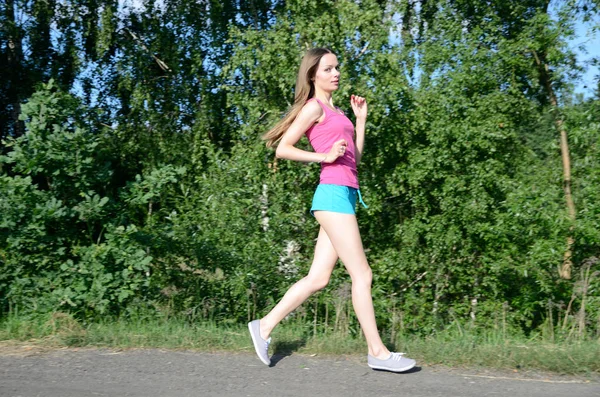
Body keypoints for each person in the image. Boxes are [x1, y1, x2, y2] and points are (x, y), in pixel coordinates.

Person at [248, 47, 416, 373]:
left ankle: (264, 326)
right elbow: (283, 149)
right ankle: (378, 352)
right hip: (332, 195)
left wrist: (361, 121)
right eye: (328, 69)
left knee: (318, 278)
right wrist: (322, 157)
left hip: (346, 193)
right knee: (362, 274)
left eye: (337, 67)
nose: (336, 73)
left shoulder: (336, 110)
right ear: (313, 75)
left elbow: (354, 159)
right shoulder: (313, 108)